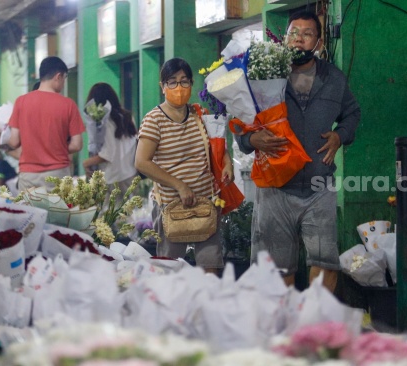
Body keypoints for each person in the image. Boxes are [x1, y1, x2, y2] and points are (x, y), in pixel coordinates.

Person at [234, 10, 361, 292]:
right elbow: (240, 121)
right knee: (277, 269)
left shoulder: (333, 78)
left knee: (325, 262)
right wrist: (252, 141)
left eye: (307, 34)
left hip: (318, 186)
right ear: (284, 37)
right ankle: (282, 328)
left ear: (317, 42)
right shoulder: (262, 74)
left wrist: (340, 136)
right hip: (276, 186)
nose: (299, 39)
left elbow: (352, 113)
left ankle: (313, 326)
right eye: (294, 33)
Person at [135, 58, 234, 274]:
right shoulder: (154, 120)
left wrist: (227, 164)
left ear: (191, 84)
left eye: (184, 81)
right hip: (171, 207)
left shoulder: (201, 114)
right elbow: (142, 162)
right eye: (172, 82)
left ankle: (207, 308)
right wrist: (179, 185)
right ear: (162, 87)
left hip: (205, 203)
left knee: (210, 268)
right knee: (170, 270)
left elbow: (217, 147)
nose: (178, 88)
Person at [6, 56, 85, 191]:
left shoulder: (21, 102)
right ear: (58, 76)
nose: (63, 83)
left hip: (28, 175)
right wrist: (56, 148)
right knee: (57, 212)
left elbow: (13, 141)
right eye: (64, 79)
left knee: (30, 212)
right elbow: (77, 144)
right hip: (58, 173)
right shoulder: (68, 104)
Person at [82, 82, 138, 195]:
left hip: (112, 178)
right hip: (130, 175)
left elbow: (107, 154)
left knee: (110, 212)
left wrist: (86, 163)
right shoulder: (128, 117)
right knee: (132, 212)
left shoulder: (105, 122)